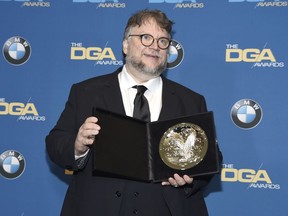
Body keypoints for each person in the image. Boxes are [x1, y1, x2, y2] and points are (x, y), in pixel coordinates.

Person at [46, 9, 222, 216]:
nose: (155, 46)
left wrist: (191, 178)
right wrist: (77, 146)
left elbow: (212, 158)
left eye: (163, 41)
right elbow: (55, 142)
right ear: (125, 44)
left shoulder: (190, 100)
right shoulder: (86, 91)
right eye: (146, 38)